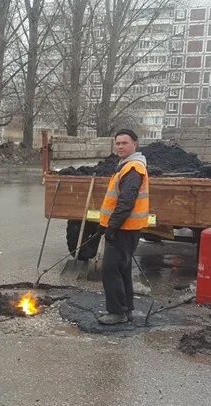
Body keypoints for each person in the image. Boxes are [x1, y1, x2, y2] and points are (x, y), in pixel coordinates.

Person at [96, 129, 150, 325]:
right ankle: (127, 309)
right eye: (117, 143)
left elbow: (126, 201)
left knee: (110, 270)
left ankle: (117, 312)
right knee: (122, 269)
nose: (120, 146)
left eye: (124, 143)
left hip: (124, 229)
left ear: (134, 144)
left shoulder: (133, 168)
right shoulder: (126, 166)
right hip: (125, 228)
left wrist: (112, 227)